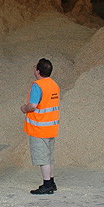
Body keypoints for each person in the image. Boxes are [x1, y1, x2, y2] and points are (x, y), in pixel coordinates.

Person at [21, 58, 60, 195]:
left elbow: (33, 105)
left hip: (40, 127)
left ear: (38, 71)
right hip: (52, 126)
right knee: (50, 157)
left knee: (43, 158)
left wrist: (24, 109)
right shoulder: (54, 84)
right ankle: (52, 182)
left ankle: (47, 185)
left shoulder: (37, 86)